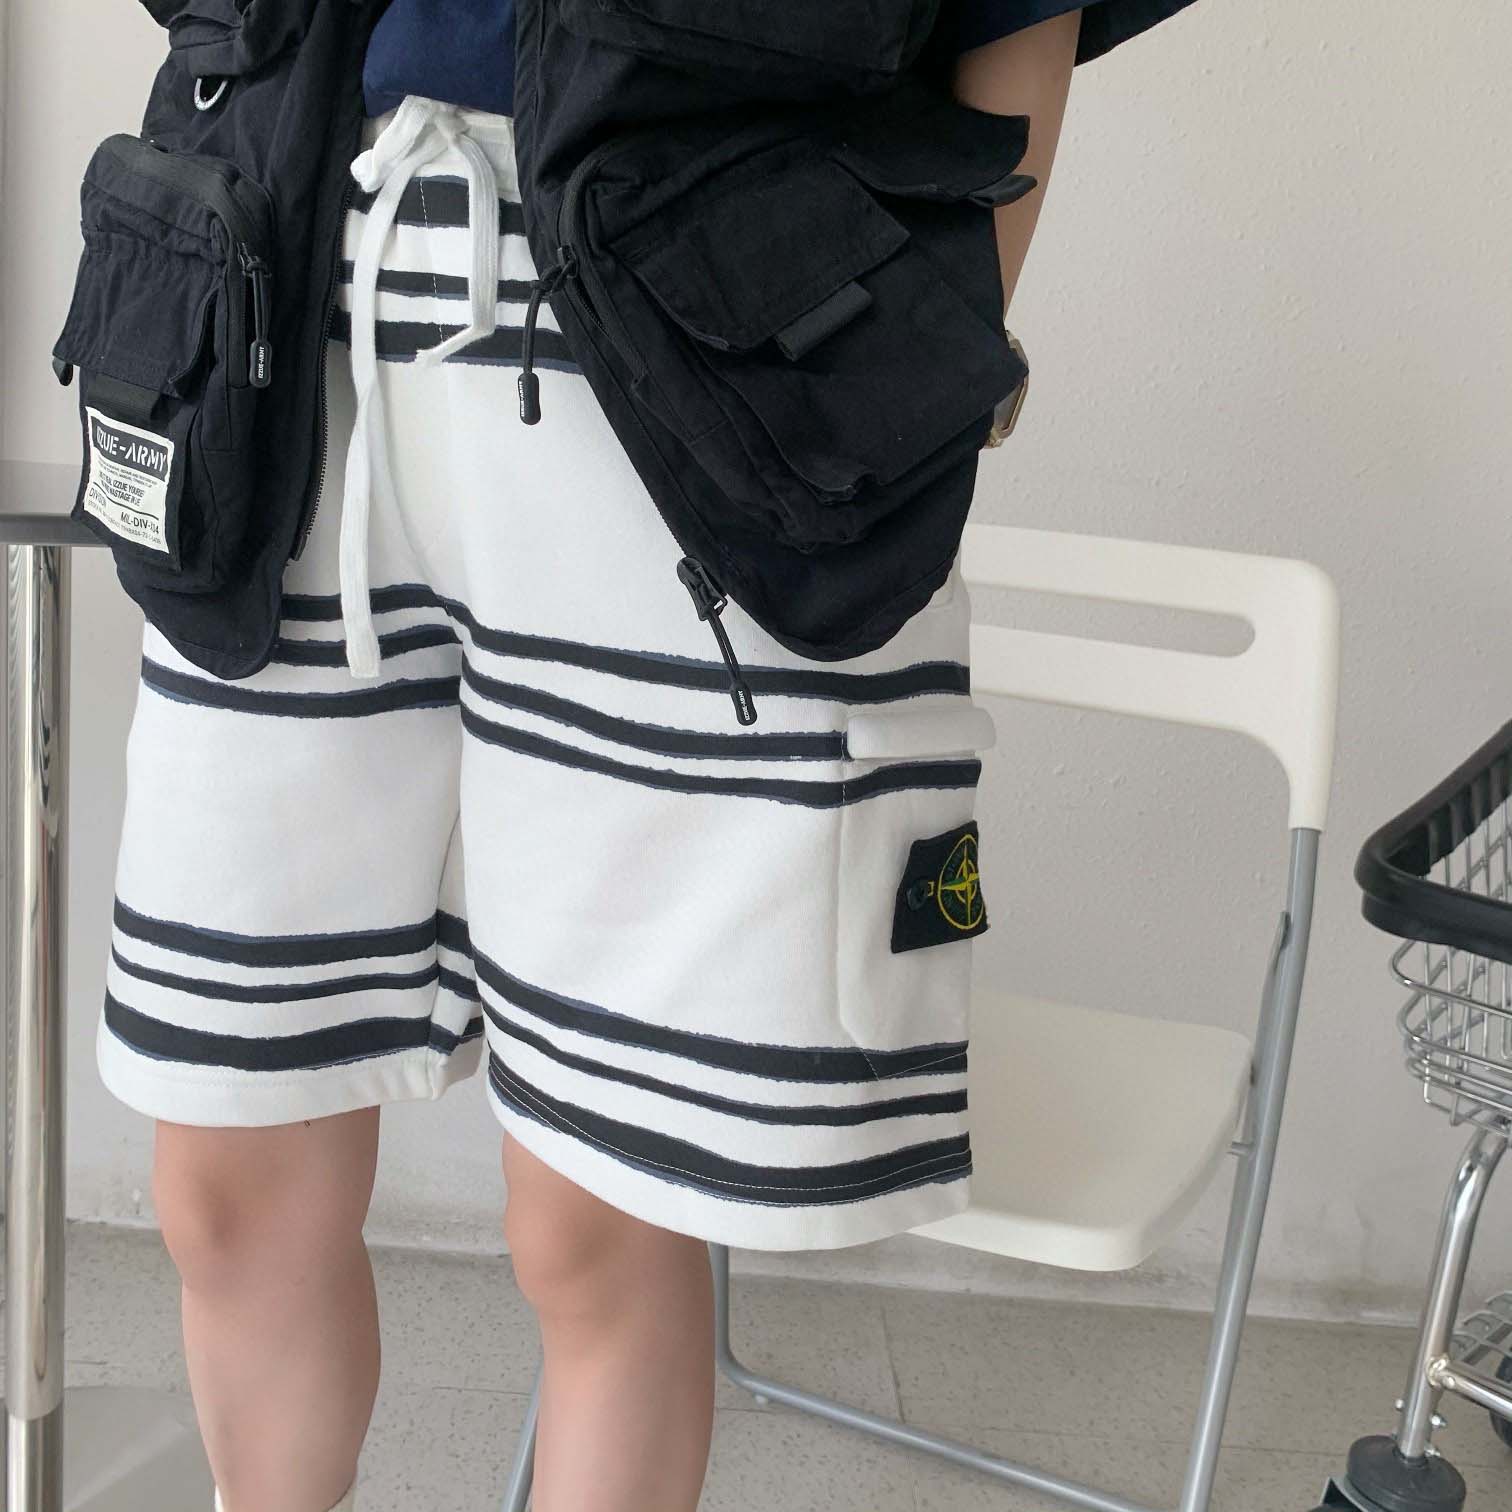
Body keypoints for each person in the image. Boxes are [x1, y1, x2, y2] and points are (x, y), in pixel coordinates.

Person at [98, 3, 1197, 1509]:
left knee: (601, 1213)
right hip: (287, 291)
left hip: (697, 323)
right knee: (227, 1157)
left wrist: (939, 340)